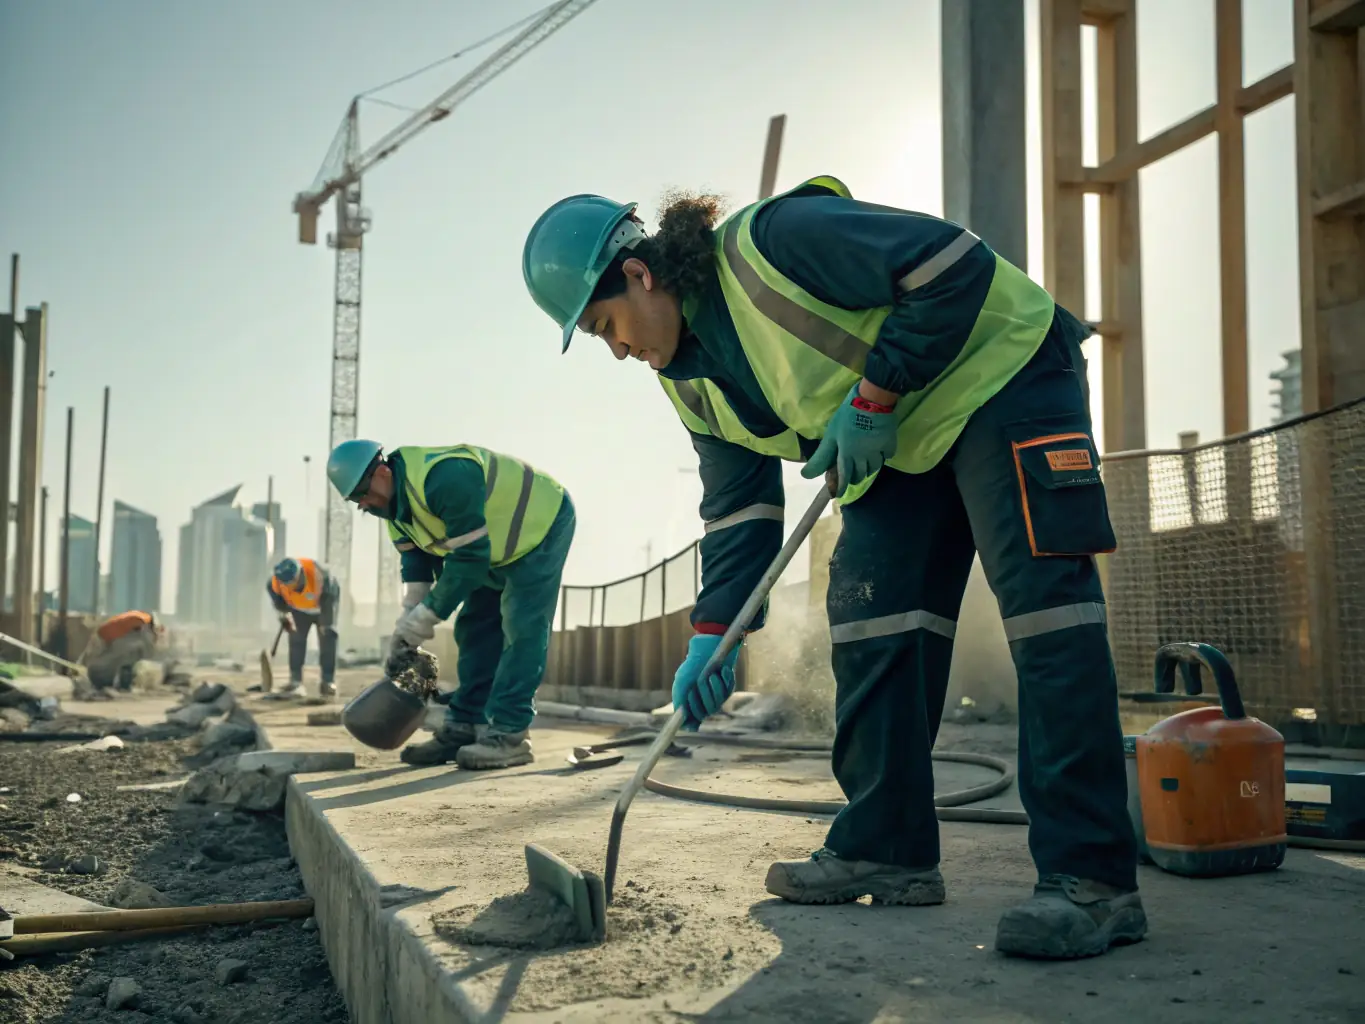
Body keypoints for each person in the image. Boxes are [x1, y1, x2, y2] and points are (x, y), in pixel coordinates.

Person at [521, 175, 1145, 960]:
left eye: (607, 322)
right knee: (870, 620)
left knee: (1045, 617)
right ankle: (887, 850)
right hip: (900, 442)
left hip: (1004, 377)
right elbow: (739, 512)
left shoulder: (772, 244)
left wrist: (875, 396)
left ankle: (1091, 881)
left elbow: (950, 265)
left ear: (640, 275)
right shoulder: (689, 386)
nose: (617, 348)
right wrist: (713, 634)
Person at [325, 438, 575, 770]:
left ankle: (510, 735)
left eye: (362, 494)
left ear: (382, 472)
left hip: (540, 525)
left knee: (522, 626)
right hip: (493, 549)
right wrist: (405, 627)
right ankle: (464, 725)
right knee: (474, 628)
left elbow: (470, 560)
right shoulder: (392, 512)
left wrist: (419, 625)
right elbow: (416, 570)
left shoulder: (444, 477)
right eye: (355, 500)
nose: (363, 505)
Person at [267, 557, 341, 699]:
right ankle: (295, 681)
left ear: (299, 575)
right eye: (285, 583)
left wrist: (326, 624)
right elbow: (277, 599)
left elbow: (329, 601)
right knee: (296, 640)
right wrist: (283, 615)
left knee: (327, 639)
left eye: (291, 582)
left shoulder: (321, 577)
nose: (288, 586)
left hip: (323, 606)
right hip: (298, 609)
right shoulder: (276, 582)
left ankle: (328, 681)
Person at [79, 610, 165, 690]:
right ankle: (115, 683)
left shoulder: (140, 618)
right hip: (110, 638)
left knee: (122, 659)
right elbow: (146, 643)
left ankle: (117, 683)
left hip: (109, 637)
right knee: (121, 659)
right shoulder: (143, 620)